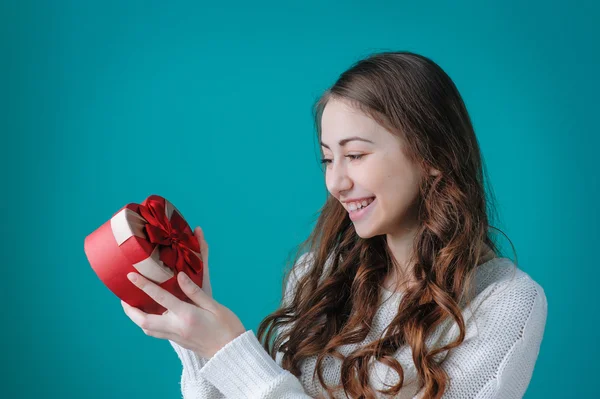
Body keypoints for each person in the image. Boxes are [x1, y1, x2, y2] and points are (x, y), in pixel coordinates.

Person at [122, 51, 548, 399]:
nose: (336, 182)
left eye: (356, 155)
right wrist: (197, 333)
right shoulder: (317, 276)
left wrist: (230, 350)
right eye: (328, 158)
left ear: (432, 156)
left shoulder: (506, 304)